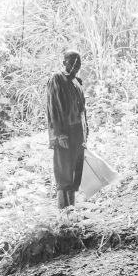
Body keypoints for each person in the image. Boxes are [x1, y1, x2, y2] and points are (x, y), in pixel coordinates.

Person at [46, 49, 88, 209]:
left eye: (78, 63)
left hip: (78, 132)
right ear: (64, 63)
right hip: (65, 132)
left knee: (76, 172)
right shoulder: (57, 78)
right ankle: (63, 213)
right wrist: (59, 134)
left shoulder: (77, 82)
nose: (76, 66)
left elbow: (82, 111)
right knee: (64, 173)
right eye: (72, 62)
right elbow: (53, 108)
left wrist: (85, 135)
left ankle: (72, 211)